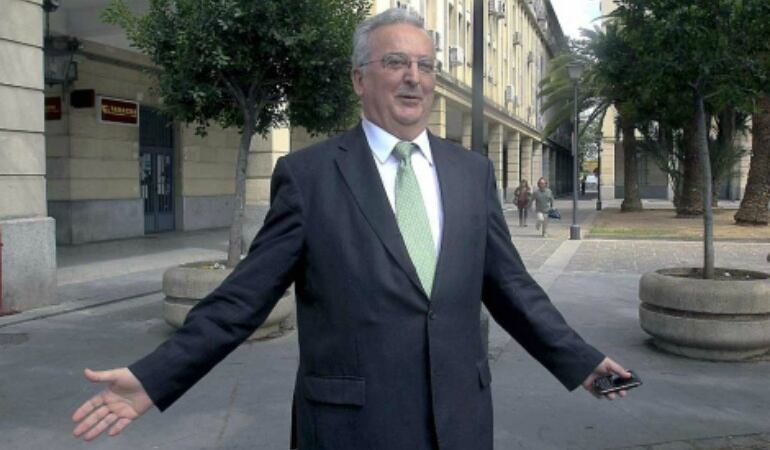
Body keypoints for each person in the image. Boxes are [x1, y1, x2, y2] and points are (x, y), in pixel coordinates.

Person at [72, 9, 631, 450]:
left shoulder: (471, 172)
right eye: (395, 63)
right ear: (359, 78)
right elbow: (243, 299)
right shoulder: (309, 176)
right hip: (351, 428)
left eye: (426, 66)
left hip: (459, 422)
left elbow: (512, 288)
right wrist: (154, 377)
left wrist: (579, 360)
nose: (414, 78)